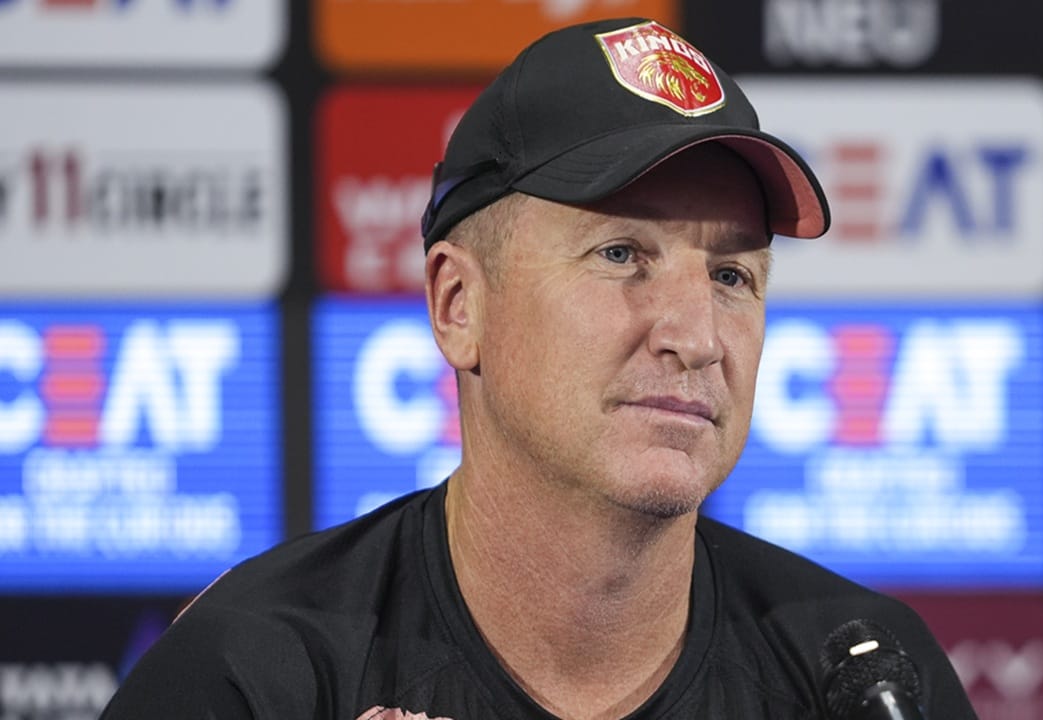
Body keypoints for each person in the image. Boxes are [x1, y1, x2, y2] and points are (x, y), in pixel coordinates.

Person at [102, 17, 978, 720]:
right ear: (459, 306)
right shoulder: (257, 674)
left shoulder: (866, 682)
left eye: (730, 276)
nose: (697, 335)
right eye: (621, 254)